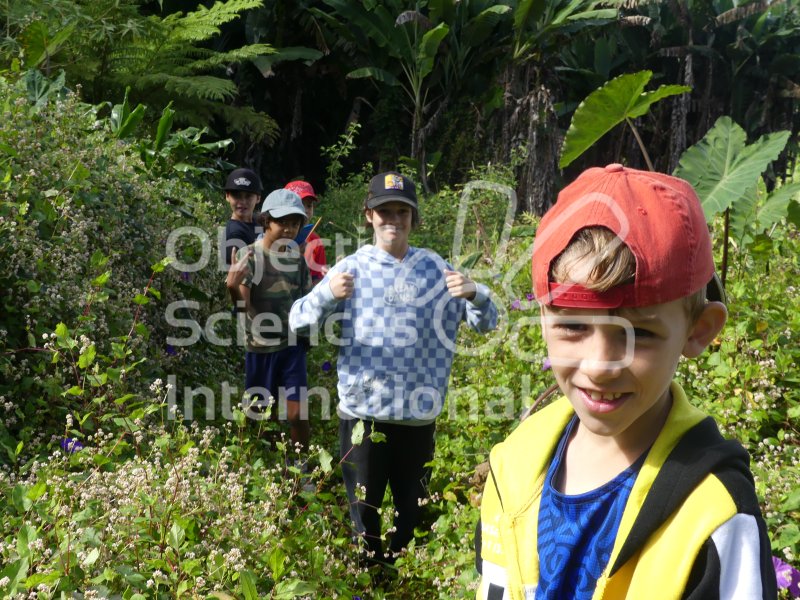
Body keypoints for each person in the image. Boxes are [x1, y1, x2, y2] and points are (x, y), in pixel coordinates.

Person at [475, 164, 777, 599]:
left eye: (640, 335)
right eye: (573, 328)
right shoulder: (512, 465)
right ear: (542, 319)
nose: (599, 365)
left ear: (698, 330)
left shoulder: (714, 514)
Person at [289, 171, 497, 563]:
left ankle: (399, 580)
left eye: (402, 211)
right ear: (369, 215)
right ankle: (366, 583)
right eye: (385, 211)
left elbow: (488, 323)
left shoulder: (437, 270)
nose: (393, 219)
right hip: (363, 418)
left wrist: (477, 293)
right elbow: (296, 319)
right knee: (363, 519)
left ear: (413, 219)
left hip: (418, 420)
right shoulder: (351, 269)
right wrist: (328, 297)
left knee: (410, 521)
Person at [227, 189, 311, 452]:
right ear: (266, 222)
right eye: (282, 222)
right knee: (264, 416)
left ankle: (301, 467)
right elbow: (243, 307)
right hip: (260, 348)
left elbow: (305, 303)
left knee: (299, 413)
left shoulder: (297, 260)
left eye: (294, 223)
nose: (288, 229)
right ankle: (273, 469)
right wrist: (232, 286)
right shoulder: (250, 256)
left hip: (291, 346)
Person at [220, 167, 262, 305]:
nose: (242, 202)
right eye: (237, 195)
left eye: (248, 196)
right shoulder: (234, 234)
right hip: (248, 302)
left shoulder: (258, 222)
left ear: (258, 198)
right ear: (227, 196)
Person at [284, 180, 329, 283]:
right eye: (299, 204)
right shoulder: (276, 236)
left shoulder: (315, 240)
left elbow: (318, 278)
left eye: (309, 205)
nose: (306, 210)